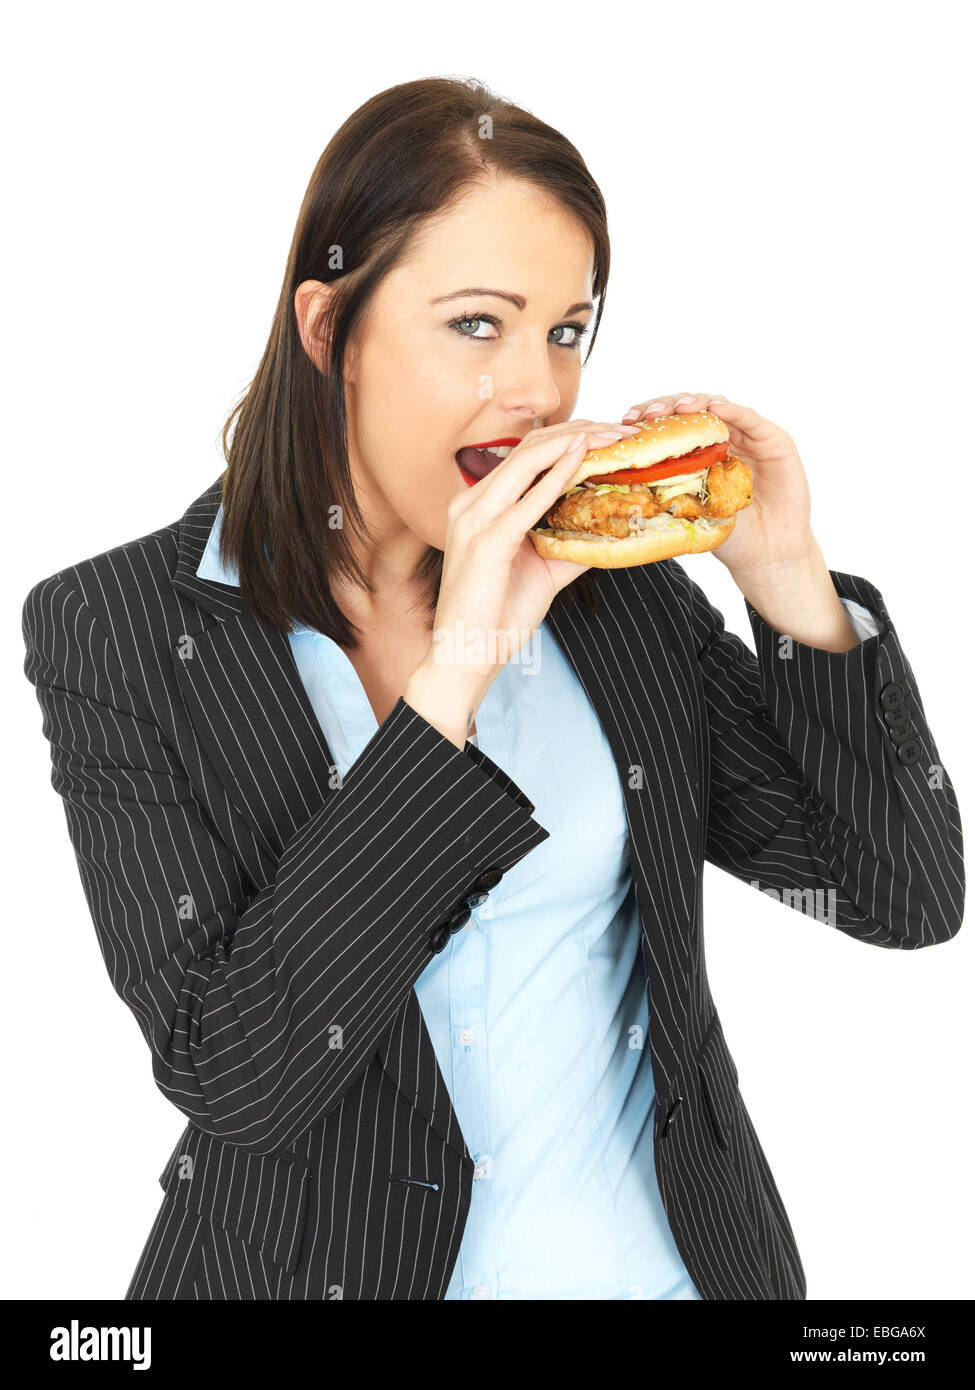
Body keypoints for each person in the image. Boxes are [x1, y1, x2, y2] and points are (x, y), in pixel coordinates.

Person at [21, 76, 964, 1301]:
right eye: (478, 323)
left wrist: (784, 579)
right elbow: (238, 1072)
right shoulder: (118, 627)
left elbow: (898, 897)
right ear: (329, 330)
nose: (537, 390)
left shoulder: (615, 594)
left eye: (568, 330)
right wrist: (455, 672)